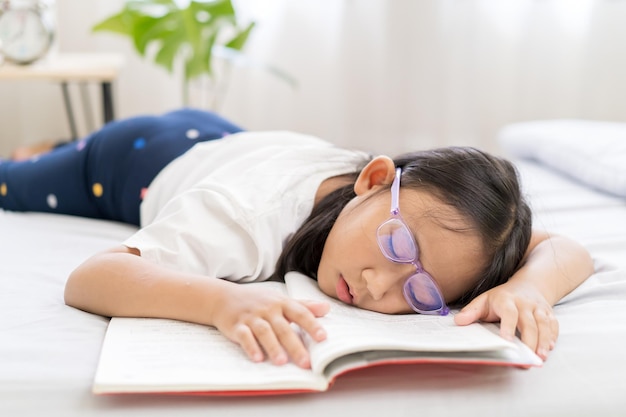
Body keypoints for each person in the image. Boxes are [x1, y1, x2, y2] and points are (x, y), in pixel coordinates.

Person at [0, 108, 593, 369]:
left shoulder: (452, 228)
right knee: (16, 182)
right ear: (373, 178)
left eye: (419, 292)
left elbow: (568, 250)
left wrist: (530, 289)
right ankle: (48, 153)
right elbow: (92, 277)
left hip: (238, 143)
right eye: (395, 248)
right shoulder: (244, 217)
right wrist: (223, 301)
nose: (376, 284)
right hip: (133, 157)